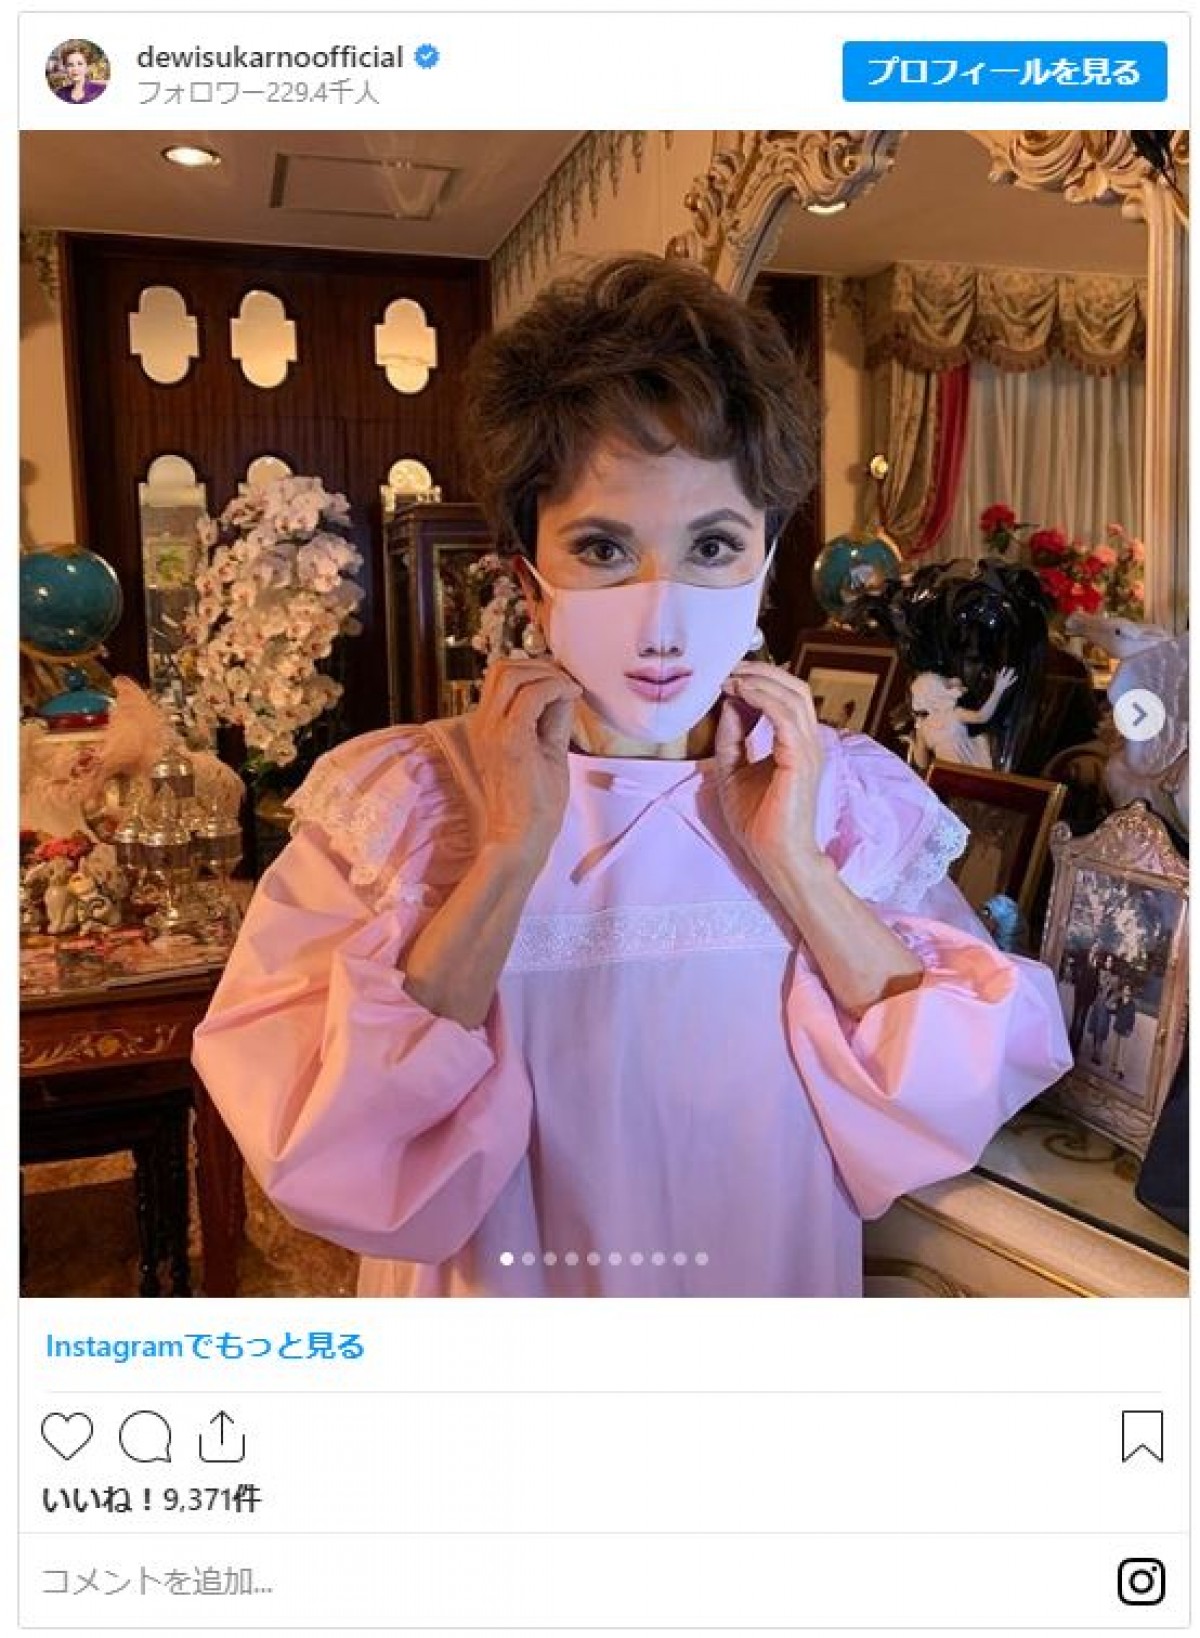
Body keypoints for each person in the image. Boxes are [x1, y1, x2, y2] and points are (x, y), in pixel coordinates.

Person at [192, 254, 1072, 1297]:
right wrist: (507, 851)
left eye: (713, 545)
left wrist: (796, 866)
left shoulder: (845, 802)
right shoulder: (396, 805)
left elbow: (955, 1087)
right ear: (531, 579)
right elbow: (324, 1145)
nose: (662, 614)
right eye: (604, 549)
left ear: (766, 564)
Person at [1087, 951, 1119, 1064]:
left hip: (1105, 1006)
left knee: (1101, 1030)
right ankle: (1094, 1051)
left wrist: (1109, 1002)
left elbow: (1116, 993)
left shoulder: (1115, 978)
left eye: (1110, 961)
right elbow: (1094, 986)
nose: (1108, 963)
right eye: (1107, 961)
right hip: (1097, 1003)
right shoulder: (1100, 972)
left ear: (1113, 963)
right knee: (1095, 1029)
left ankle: (1098, 1054)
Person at [1110, 983, 1138, 1080]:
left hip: (1125, 1029)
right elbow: (1114, 1010)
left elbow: (1132, 1018)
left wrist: (1130, 1029)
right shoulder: (1119, 1001)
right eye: (1124, 989)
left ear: (1130, 992)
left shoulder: (1132, 1004)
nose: (1126, 991)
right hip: (1117, 1027)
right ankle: (1113, 1065)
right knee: (1115, 1048)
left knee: (1122, 1051)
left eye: (1127, 989)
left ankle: (1120, 1070)